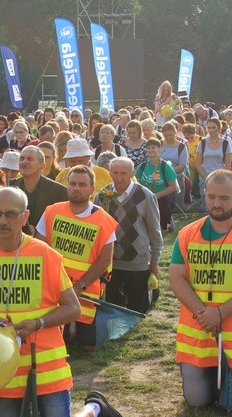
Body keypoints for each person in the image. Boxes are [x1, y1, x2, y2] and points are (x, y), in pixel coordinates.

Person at [0, 186, 126, 417]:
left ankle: (95, 407)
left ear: (25, 217)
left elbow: (72, 308)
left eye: (10, 215)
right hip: (1, 368)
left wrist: (37, 323)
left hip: (46, 362)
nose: (1, 221)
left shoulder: (45, 254)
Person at [169, 169, 232, 412]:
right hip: (198, 327)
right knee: (197, 402)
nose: (217, 204)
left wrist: (220, 313)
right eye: (212, 196)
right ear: (204, 195)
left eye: (224, 198)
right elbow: (176, 278)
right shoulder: (187, 234)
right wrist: (204, 313)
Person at [37, 166, 117, 353]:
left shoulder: (104, 220)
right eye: (72, 184)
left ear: (92, 188)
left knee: (88, 344)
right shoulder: (51, 211)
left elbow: (104, 260)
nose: (76, 188)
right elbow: (41, 250)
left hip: (85, 291)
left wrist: (79, 286)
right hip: (53, 288)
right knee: (60, 338)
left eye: (82, 184)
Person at [96, 158, 163, 313]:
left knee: (138, 308)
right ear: (110, 172)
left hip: (137, 261)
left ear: (132, 173)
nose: (119, 178)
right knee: (113, 306)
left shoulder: (146, 196)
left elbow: (155, 231)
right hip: (111, 261)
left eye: (124, 173)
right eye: (115, 173)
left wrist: (154, 261)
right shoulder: (102, 195)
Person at [9, 146, 67, 236]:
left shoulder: (59, 192)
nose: (24, 162)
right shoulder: (10, 188)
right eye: (22, 159)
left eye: (30, 159)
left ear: (42, 165)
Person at [135, 138, 179, 232]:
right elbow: (136, 182)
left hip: (161, 198)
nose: (151, 150)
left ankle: (168, 222)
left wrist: (156, 196)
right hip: (145, 197)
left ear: (159, 149)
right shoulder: (142, 166)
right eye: (149, 148)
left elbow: (172, 187)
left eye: (153, 148)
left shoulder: (165, 167)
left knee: (162, 229)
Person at [194, 118, 232, 212]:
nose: (211, 130)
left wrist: (220, 177)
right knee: (206, 205)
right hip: (205, 176)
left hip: (220, 177)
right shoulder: (202, 143)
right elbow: (197, 163)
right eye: (209, 128)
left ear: (219, 128)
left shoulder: (225, 143)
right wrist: (206, 177)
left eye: (213, 127)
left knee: (219, 202)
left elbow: (228, 164)